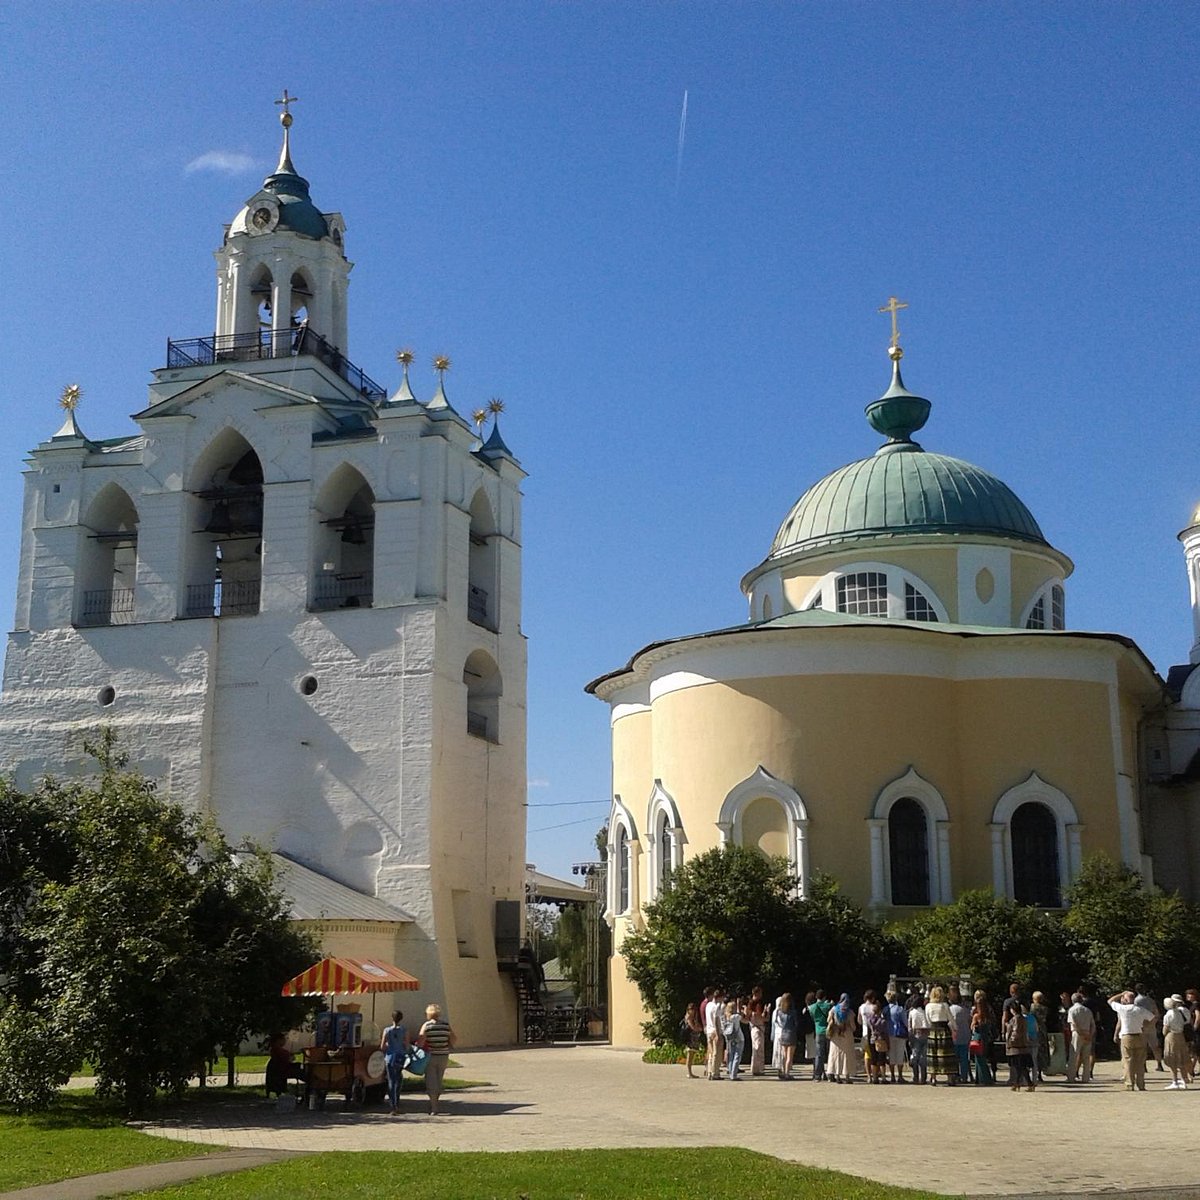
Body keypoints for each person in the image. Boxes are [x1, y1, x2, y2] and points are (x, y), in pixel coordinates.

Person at [1108, 990, 1154, 1092]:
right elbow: (1153, 1017)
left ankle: (1129, 1084)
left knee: (1128, 1061)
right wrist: (1145, 1027)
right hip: (1139, 1035)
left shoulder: (1123, 1009)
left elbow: (1110, 1001)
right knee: (1140, 1061)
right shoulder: (1140, 1009)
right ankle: (1141, 1084)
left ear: (1125, 999)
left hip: (1127, 1036)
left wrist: (1122, 993)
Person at [415, 1003, 456, 1115]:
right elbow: (453, 1039)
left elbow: (421, 1040)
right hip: (443, 1055)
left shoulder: (427, 1026)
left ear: (428, 1014)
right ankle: (436, 1101)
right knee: (439, 1079)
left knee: (431, 1081)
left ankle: (434, 1107)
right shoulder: (445, 1025)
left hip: (431, 1056)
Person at [925, 985, 957, 1086]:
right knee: (946, 1055)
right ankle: (950, 1078)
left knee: (933, 1055)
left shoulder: (928, 1006)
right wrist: (955, 1028)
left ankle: (933, 1078)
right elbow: (950, 1018)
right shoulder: (944, 1005)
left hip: (933, 1031)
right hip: (944, 1030)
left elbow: (928, 1020)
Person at [380, 1011, 409, 1115]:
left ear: (392, 1018)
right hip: (400, 1056)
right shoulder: (404, 1030)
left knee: (391, 1081)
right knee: (398, 1079)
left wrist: (388, 1045)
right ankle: (397, 1101)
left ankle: (393, 1105)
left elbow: (382, 1046)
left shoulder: (387, 1030)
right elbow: (407, 1045)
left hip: (390, 1057)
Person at [1004, 1000, 1035, 1091]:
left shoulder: (1016, 1019)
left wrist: (1010, 1042)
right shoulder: (1023, 1018)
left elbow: (1015, 1031)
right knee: (1020, 1066)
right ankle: (1018, 1083)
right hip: (1023, 1045)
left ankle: (1024, 1083)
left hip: (1017, 1046)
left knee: (1020, 1066)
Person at [825, 992, 856, 1084]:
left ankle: (837, 1075)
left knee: (836, 1055)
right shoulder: (850, 1012)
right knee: (847, 1055)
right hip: (847, 1035)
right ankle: (847, 1076)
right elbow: (853, 1027)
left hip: (835, 1035)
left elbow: (828, 1020)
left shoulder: (834, 1009)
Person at [1161, 996, 1191, 1089]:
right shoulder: (1179, 1012)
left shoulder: (1168, 1014)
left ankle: (1174, 1081)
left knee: (1172, 1058)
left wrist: (1164, 1033)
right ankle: (1184, 1079)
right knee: (1181, 1057)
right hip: (1180, 1035)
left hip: (1172, 1036)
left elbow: (1165, 1029)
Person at [1133, 985, 1164, 1073]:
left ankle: (1144, 1065)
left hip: (1141, 1025)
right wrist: (1153, 1022)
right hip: (1151, 1025)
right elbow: (1157, 1014)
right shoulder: (1151, 1000)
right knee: (1155, 1046)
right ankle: (1159, 1064)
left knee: (1142, 1046)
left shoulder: (1136, 1001)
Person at [1066, 991, 1095, 1083]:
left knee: (1073, 1056)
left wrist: (1081, 1033)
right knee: (1086, 1057)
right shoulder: (1088, 1010)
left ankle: (1071, 1077)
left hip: (1077, 1033)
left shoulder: (1072, 1010)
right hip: (1087, 1033)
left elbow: (1073, 1024)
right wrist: (1090, 1035)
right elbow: (1093, 1025)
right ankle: (1085, 1078)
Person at [265, 1032, 305, 1098]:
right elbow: (289, 1059)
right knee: (302, 1070)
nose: (285, 1041)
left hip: (280, 1069)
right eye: (284, 1039)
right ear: (279, 1040)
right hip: (283, 1070)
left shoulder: (275, 1049)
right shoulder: (278, 1050)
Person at [969, 991, 995, 1086]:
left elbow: (972, 1027)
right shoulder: (988, 1015)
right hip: (985, 1038)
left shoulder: (976, 1016)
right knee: (983, 1058)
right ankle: (982, 1078)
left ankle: (982, 1078)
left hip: (977, 1037)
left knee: (978, 1059)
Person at [808, 989, 833, 1081]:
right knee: (830, 1053)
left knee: (819, 1054)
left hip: (818, 1031)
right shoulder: (829, 1006)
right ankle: (831, 1074)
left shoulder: (812, 1007)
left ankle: (817, 1075)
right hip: (829, 1031)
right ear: (824, 997)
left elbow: (811, 1017)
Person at [884, 990, 908, 1083]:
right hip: (899, 1033)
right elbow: (905, 1022)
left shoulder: (885, 1009)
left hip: (889, 1033)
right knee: (900, 1054)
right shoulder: (900, 1009)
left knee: (891, 1055)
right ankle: (900, 1076)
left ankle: (893, 1075)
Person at [773, 993, 798, 1080]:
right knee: (789, 1056)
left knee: (784, 1055)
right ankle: (787, 1073)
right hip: (791, 1033)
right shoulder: (793, 1012)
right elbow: (796, 1023)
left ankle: (783, 1071)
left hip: (783, 1033)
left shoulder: (779, 1012)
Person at [948, 989, 970, 1083]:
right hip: (965, 1035)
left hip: (954, 1036)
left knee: (954, 1058)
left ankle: (955, 1075)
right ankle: (964, 1076)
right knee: (964, 1058)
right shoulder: (965, 1009)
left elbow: (950, 1023)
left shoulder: (951, 1009)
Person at [746, 987, 768, 1076]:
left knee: (760, 1047)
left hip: (761, 1025)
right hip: (755, 1026)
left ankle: (760, 1067)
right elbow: (751, 1015)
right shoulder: (751, 1003)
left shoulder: (760, 1002)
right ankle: (755, 1068)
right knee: (757, 1046)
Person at [704, 987, 725, 1080]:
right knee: (717, 1053)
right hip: (715, 1030)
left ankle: (709, 1072)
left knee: (711, 1053)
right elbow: (716, 1020)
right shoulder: (716, 1007)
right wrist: (717, 1033)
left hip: (708, 1030)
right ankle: (715, 1073)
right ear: (719, 997)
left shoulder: (708, 1005)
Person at [908, 995, 930, 1084]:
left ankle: (915, 1076)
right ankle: (923, 1078)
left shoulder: (912, 1012)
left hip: (916, 1033)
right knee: (923, 1057)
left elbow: (909, 1027)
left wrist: (909, 1037)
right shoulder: (925, 1012)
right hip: (926, 1033)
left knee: (915, 1055)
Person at [722, 999, 746, 1080]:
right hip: (739, 1037)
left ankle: (730, 1070)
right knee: (737, 1056)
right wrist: (741, 1008)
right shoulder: (735, 1017)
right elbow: (743, 1017)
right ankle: (734, 1074)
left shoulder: (725, 1017)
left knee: (731, 1055)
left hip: (730, 1038)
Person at [1029, 992, 1050, 1083]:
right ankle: (1040, 1072)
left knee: (1034, 1052)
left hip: (1034, 1030)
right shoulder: (1045, 1008)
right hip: (1043, 1030)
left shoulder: (1032, 1007)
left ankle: (1033, 1071)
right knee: (1042, 1051)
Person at [681, 1001, 704, 1079]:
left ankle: (690, 1072)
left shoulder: (694, 1017)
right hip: (690, 1038)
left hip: (694, 1038)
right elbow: (693, 1027)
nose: (692, 1011)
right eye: (691, 1009)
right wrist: (699, 1029)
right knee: (690, 1055)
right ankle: (689, 1073)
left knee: (692, 1055)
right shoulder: (689, 1017)